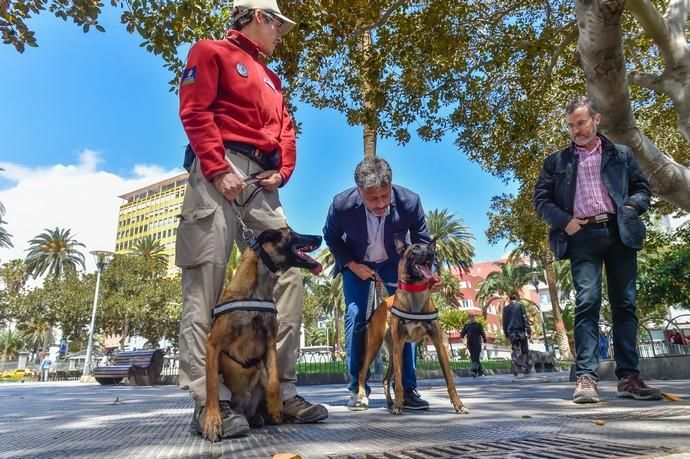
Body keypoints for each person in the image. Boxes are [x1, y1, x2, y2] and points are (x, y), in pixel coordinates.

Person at [176, 0, 327, 438]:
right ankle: (211, 401)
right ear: (258, 16)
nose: (281, 33)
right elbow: (194, 111)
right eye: (278, 24)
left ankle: (283, 391)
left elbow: (286, 131)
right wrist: (218, 168)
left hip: (262, 185)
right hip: (216, 170)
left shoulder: (273, 78)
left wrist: (283, 172)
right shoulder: (209, 51)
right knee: (207, 279)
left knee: (289, 279)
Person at [534, 96, 660, 404]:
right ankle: (586, 378)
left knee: (625, 305)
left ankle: (629, 378)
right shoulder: (557, 162)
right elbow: (542, 200)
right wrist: (565, 221)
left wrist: (631, 206)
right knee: (587, 302)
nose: (576, 130)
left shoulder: (621, 155)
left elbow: (642, 189)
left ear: (596, 120)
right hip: (582, 236)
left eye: (581, 123)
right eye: (571, 126)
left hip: (620, 233)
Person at [323, 156, 440, 411]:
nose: (381, 203)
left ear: (391, 186)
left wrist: (432, 273)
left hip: (394, 263)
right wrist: (353, 266)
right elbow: (330, 236)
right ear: (359, 192)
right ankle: (358, 388)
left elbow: (422, 241)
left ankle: (407, 388)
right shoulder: (341, 205)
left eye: (385, 196)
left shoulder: (410, 202)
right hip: (356, 263)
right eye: (373, 199)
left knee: (405, 317)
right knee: (355, 314)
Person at [502, 294, 531, 376]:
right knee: (524, 350)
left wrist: (506, 333)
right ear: (516, 299)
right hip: (521, 331)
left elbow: (504, 322)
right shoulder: (520, 306)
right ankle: (525, 368)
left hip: (511, 332)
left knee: (515, 349)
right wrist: (528, 330)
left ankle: (514, 361)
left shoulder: (506, 309)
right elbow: (525, 318)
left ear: (509, 300)